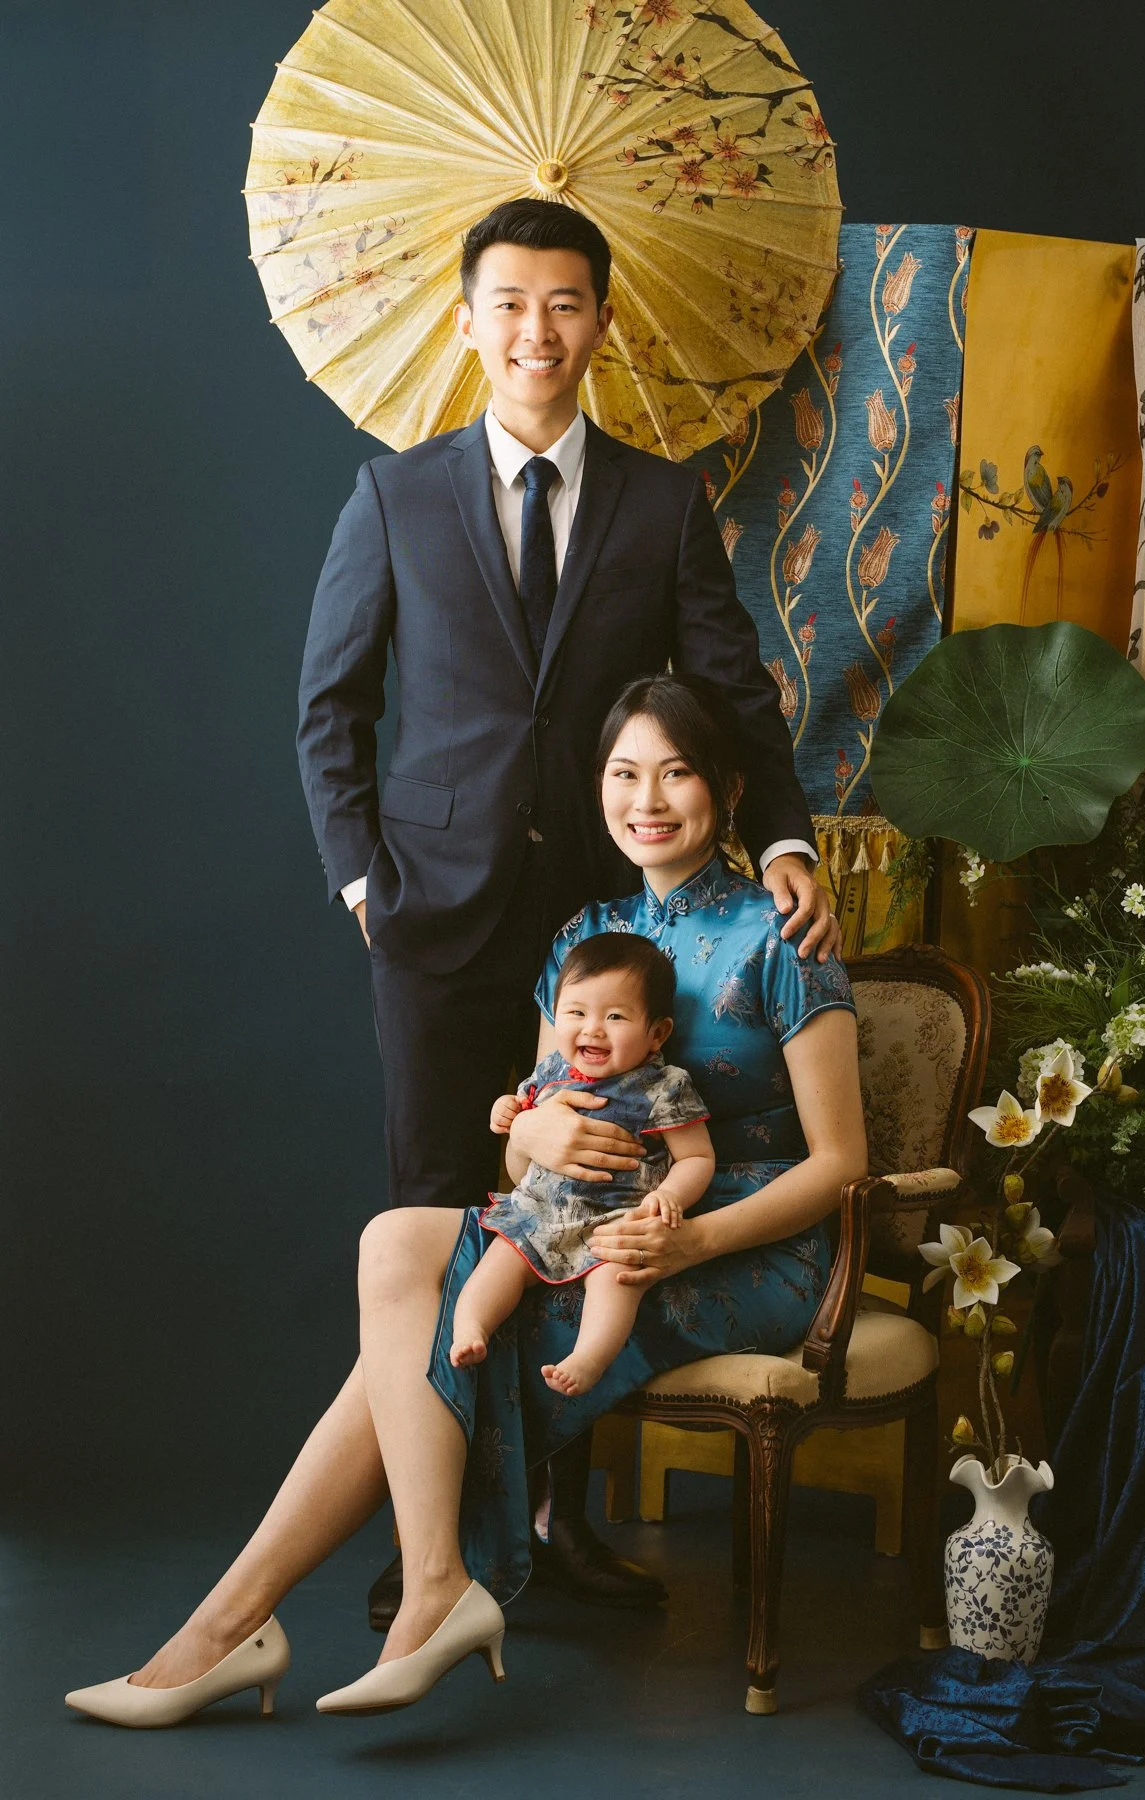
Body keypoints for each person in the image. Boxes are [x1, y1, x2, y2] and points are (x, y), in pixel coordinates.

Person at [64, 675, 867, 1728]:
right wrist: (526, 1127)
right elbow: (539, 1129)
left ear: (724, 787)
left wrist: (690, 1236)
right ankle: (415, 1587)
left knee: (444, 1331)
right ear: (598, 790)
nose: (649, 798)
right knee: (396, 1244)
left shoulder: (783, 932)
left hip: (741, 1240)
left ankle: (236, 1625)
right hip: (582, 1220)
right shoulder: (587, 930)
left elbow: (842, 1163)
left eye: (676, 772)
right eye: (624, 773)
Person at [294, 195, 842, 1617]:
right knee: (437, 1216)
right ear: (469, 320)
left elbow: (726, 688)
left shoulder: (662, 502)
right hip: (434, 927)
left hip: (601, 944)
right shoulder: (393, 497)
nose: (537, 331)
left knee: (588, 1209)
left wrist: (781, 837)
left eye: (565, 304)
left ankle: (556, 1525)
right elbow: (330, 708)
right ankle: (429, 1544)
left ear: (601, 323)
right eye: (510, 303)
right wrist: (367, 881)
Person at [451, 932, 716, 1396]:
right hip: (539, 1210)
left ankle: (589, 1357)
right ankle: (470, 1327)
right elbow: (522, 1110)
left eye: (615, 1016)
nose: (592, 1029)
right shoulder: (552, 1070)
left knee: (617, 1279)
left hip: (614, 1220)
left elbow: (696, 1156)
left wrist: (669, 1195)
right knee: (499, 1263)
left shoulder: (663, 1086)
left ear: (657, 1033)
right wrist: (508, 1112)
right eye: (575, 1013)